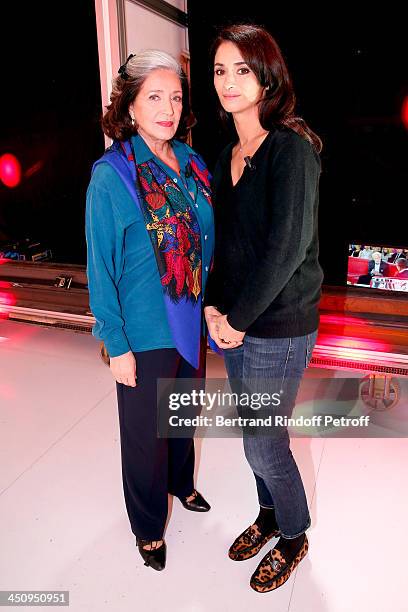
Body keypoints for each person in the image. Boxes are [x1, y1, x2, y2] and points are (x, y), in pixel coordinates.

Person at [204, 24, 323, 593]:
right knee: (252, 429)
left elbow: (286, 250)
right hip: (236, 319)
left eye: (242, 70)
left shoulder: (291, 150)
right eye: (221, 70)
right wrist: (211, 306)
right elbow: (224, 244)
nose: (229, 81)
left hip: (278, 323)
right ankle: (270, 514)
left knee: (263, 439)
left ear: (267, 76)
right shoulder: (226, 152)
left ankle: (294, 533)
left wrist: (236, 318)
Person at [85, 50, 214, 571]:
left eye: (176, 97)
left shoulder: (192, 162)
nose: (168, 108)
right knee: (145, 436)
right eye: (154, 97)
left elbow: (205, 242)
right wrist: (115, 344)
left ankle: (181, 486)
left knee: (182, 417)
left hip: (189, 320)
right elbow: (101, 267)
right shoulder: (112, 175)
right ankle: (146, 526)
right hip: (143, 330)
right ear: (131, 108)